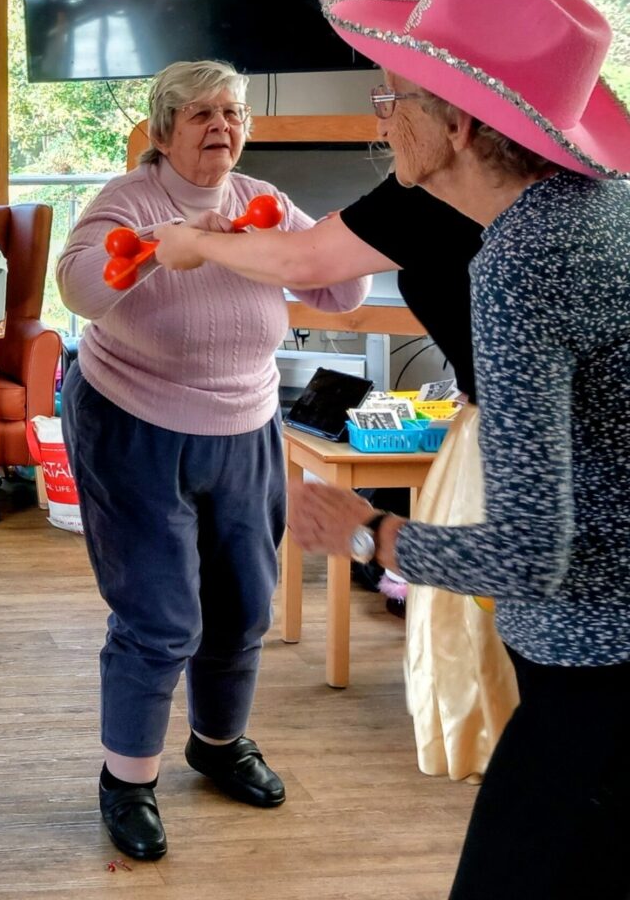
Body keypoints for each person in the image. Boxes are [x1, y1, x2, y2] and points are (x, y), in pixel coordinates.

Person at [285, 0, 630, 899]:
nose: (380, 118)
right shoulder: (603, 211)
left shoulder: (522, 264)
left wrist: (368, 532)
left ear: (461, 123)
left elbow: (531, 552)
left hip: (599, 667)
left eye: (393, 97)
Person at [57, 59, 371, 861]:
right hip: (132, 423)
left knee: (242, 606)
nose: (221, 126)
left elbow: (341, 292)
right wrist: (158, 252)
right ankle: (127, 780)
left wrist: (323, 245)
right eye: (201, 113)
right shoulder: (129, 200)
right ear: (164, 131)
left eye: (232, 112)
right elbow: (80, 289)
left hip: (246, 425)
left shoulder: (263, 200)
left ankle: (219, 744)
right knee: (160, 616)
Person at [154, 163, 520, 782]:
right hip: (490, 420)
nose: (385, 125)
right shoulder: (461, 189)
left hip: (509, 433)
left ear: (454, 125)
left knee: (507, 628)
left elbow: (307, 262)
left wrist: (193, 243)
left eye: (394, 111)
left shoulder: (437, 189)